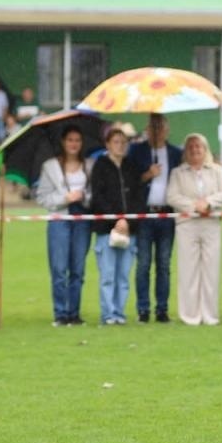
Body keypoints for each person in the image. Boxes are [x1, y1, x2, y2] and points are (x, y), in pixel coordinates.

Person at [165, 131, 222, 327]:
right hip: (187, 225)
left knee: (211, 270)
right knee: (188, 270)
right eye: (191, 147)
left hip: (211, 223)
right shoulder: (178, 173)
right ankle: (190, 315)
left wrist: (208, 203)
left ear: (205, 149)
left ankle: (210, 315)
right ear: (185, 151)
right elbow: (172, 197)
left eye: (198, 146)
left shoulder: (217, 171)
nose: (195, 150)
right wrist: (194, 205)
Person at [126, 113, 184, 324]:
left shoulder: (176, 153)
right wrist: (147, 175)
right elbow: (130, 182)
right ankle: (143, 309)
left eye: (161, 128)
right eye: (153, 128)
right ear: (147, 130)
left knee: (164, 264)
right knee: (143, 264)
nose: (158, 132)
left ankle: (162, 309)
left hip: (166, 215)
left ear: (167, 130)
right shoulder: (136, 151)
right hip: (144, 214)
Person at [36, 124, 93, 327]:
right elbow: (42, 197)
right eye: (70, 140)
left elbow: (96, 194)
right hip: (59, 219)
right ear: (63, 142)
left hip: (82, 219)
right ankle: (60, 313)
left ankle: (74, 313)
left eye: (77, 140)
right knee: (59, 269)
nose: (74, 144)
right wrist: (65, 198)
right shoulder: (50, 166)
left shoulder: (90, 165)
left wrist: (84, 196)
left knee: (78, 269)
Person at [88, 125, 144, 326]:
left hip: (129, 230)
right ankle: (108, 313)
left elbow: (139, 196)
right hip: (106, 229)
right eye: (116, 142)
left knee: (123, 275)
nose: (120, 146)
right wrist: (116, 220)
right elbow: (98, 197)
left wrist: (129, 221)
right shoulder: (100, 166)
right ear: (108, 144)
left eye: (123, 142)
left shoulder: (132, 166)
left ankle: (120, 312)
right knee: (108, 275)